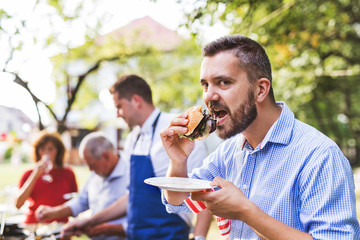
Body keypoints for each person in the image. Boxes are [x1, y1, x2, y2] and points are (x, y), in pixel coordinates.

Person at [160, 34, 360, 240]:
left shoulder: (319, 156)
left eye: (223, 82)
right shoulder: (229, 152)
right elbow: (178, 200)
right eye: (205, 85)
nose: (209, 96)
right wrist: (178, 161)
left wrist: (246, 212)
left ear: (261, 89)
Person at [62, 75, 213, 240]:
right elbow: (134, 195)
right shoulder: (132, 139)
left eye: (119, 106)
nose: (118, 114)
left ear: (136, 100)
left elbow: (203, 191)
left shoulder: (177, 129)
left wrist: (199, 237)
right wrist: (89, 221)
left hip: (169, 234)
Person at [35, 132, 128, 240]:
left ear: (106, 156)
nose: (90, 170)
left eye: (91, 164)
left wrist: (104, 229)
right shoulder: (97, 173)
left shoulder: (131, 174)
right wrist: (53, 212)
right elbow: (82, 201)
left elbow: (140, 221)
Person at [15, 131, 78, 224]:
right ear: (37, 150)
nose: (46, 153)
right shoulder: (29, 174)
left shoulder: (68, 173)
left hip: (59, 225)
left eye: (50, 149)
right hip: (35, 224)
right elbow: (18, 204)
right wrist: (35, 175)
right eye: (43, 149)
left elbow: (76, 201)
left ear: (58, 151)